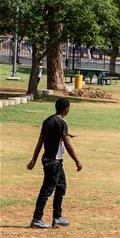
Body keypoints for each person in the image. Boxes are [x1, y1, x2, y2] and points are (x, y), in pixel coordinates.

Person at [26, 98, 83, 228]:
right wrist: (77, 161)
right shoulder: (61, 123)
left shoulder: (47, 121)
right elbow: (67, 145)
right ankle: (36, 219)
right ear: (66, 109)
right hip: (53, 162)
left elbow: (41, 141)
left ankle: (57, 218)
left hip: (51, 160)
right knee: (47, 190)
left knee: (61, 187)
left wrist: (34, 159)